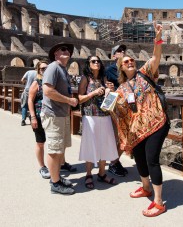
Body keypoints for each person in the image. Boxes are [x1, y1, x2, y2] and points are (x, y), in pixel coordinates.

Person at [112, 23, 170, 217]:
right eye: (126, 61)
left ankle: (159, 201)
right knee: (139, 158)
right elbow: (120, 111)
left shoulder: (145, 73)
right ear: (121, 66)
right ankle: (146, 187)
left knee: (152, 159)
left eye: (131, 60)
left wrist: (158, 38)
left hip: (156, 122)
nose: (130, 62)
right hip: (138, 129)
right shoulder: (121, 89)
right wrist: (110, 102)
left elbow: (155, 57)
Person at [41, 42, 78, 195]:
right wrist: (69, 100)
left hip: (61, 114)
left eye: (68, 50)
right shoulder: (53, 67)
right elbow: (47, 90)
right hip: (53, 114)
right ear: (55, 54)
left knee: (59, 149)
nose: (67, 51)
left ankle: (56, 177)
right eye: (63, 49)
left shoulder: (63, 70)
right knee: (54, 150)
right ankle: (55, 184)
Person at [78, 56, 118, 189]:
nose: (97, 63)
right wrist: (93, 93)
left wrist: (110, 90)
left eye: (98, 61)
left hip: (104, 115)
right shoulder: (85, 78)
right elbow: (79, 98)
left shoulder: (104, 78)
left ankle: (102, 173)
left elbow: (110, 95)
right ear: (88, 64)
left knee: (104, 144)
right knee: (91, 144)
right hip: (90, 115)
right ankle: (88, 174)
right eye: (93, 61)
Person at [105, 44, 128, 177]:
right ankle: (113, 163)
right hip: (116, 107)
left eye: (123, 50)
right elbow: (105, 85)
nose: (122, 52)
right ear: (114, 55)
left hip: (128, 106)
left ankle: (114, 162)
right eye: (119, 51)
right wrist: (109, 88)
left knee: (125, 136)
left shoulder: (128, 67)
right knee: (119, 136)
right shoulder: (110, 70)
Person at [28, 60, 50, 179]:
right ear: (38, 70)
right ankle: (42, 167)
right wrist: (32, 117)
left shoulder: (51, 82)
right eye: (42, 69)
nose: (45, 70)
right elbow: (30, 100)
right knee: (40, 142)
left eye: (47, 68)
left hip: (51, 116)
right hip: (38, 115)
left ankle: (60, 164)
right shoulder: (36, 83)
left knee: (54, 142)